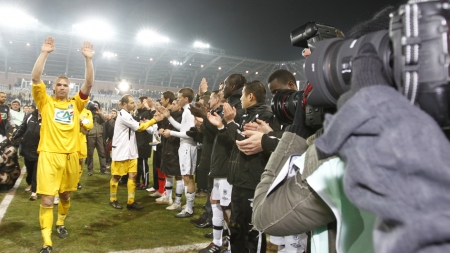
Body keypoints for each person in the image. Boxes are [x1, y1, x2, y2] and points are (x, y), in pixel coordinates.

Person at [31, 36, 94, 253]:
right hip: (49, 155)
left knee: (66, 195)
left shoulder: (75, 105)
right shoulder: (45, 102)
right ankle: (47, 243)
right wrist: (45, 53)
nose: (62, 87)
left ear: (69, 89)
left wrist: (88, 59)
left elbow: (89, 84)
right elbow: (35, 77)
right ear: (54, 87)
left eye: (65, 85)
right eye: (58, 84)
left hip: (70, 155)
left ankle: (60, 223)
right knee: (48, 199)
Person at [207, 80, 280, 253]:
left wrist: (230, 123)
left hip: (252, 181)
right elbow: (236, 139)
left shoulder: (265, 115)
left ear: (251, 96)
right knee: (236, 227)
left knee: (252, 231)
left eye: (242, 95)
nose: (240, 99)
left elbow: (246, 145)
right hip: (239, 179)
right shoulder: (247, 114)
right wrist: (222, 125)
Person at [109, 94, 163, 210]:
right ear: (124, 104)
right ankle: (113, 199)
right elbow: (139, 128)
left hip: (131, 151)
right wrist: (154, 120)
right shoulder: (123, 115)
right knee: (117, 176)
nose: (134, 104)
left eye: (134, 102)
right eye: (132, 103)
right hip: (121, 151)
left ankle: (131, 201)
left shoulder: (128, 114)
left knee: (133, 176)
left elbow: (139, 126)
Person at [159, 88, 198, 218]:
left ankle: (189, 208)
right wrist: (169, 117)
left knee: (187, 177)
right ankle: (187, 206)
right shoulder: (187, 111)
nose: (178, 99)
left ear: (186, 99)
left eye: (180, 97)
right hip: (185, 146)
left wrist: (171, 133)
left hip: (187, 146)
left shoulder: (188, 112)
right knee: (186, 177)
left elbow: (188, 134)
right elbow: (183, 128)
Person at [154, 94, 183, 207]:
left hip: (175, 148)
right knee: (168, 173)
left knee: (178, 175)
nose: (173, 106)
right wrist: (161, 127)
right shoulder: (171, 115)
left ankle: (177, 202)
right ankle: (168, 197)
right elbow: (165, 126)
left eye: (175, 104)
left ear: (179, 107)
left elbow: (181, 131)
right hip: (167, 147)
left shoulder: (180, 116)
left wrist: (168, 134)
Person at [11, 109, 41, 200]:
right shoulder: (30, 116)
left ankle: (34, 192)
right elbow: (22, 127)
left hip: (39, 149)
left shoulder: (48, 117)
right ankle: (30, 183)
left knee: (36, 170)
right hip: (27, 148)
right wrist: (14, 136)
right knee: (30, 168)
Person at [133, 97, 154, 190]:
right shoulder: (139, 113)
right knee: (137, 162)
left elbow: (151, 124)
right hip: (138, 141)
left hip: (144, 142)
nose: (137, 103)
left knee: (143, 163)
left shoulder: (147, 113)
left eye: (138, 102)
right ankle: (137, 181)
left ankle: (145, 183)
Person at [86, 101, 108, 175]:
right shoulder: (88, 114)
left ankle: (103, 169)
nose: (95, 108)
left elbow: (104, 120)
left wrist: (99, 113)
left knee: (102, 153)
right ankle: (90, 170)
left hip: (99, 136)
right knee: (90, 154)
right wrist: (90, 113)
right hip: (90, 136)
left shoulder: (99, 114)